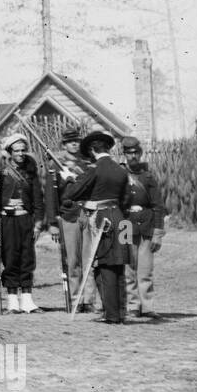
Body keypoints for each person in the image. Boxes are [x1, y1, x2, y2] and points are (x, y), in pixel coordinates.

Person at [65, 130, 131, 325]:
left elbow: (73, 193)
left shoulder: (94, 169)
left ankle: (111, 315)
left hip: (103, 220)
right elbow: (126, 199)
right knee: (118, 264)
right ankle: (120, 312)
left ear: (93, 150)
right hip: (120, 218)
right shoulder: (121, 170)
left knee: (105, 265)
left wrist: (71, 178)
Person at [0, 134, 44, 314]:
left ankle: (27, 301)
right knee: (10, 259)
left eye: (23, 150)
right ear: (9, 153)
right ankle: (12, 302)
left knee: (27, 258)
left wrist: (38, 224)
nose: (20, 153)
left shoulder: (31, 174)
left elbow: (38, 201)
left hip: (25, 220)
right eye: (16, 150)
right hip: (7, 221)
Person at [44, 128, 96, 312]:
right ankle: (76, 299)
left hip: (88, 214)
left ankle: (89, 300)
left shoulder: (88, 162)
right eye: (70, 142)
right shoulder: (56, 165)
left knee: (89, 259)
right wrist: (52, 223)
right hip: (68, 215)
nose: (74, 144)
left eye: (76, 141)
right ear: (64, 145)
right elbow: (50, 196)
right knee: (72, 261)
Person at [121, 135, 166, 318]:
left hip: (146, 226)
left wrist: (157, 232)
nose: (132, 157)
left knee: (145, 270)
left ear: (140, 154)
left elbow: (158, 206)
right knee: (128, 269)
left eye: (135, 153)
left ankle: (147, 306)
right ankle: (133, 306)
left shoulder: (148, 177)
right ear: (124, 154)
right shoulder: (120, 175)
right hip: (125, 225)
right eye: (128, 153)